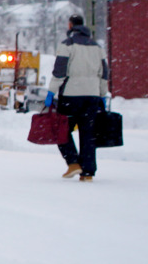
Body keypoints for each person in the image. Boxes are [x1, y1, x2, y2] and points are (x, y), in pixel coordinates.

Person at [45, 14, 109, 182]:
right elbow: (104, 73)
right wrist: (102, 94)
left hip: (71, 96)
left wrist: (51, 92)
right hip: (92, 96)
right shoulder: (97, 47)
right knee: (88, 133)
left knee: (61, 129)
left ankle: (73, 163)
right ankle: (87, 172)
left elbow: (59, 71)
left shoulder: (67, 44)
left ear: (70, 26)